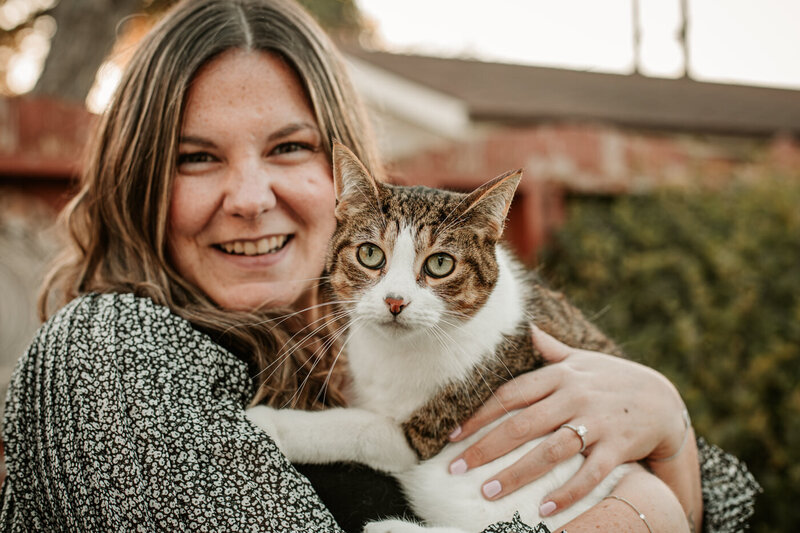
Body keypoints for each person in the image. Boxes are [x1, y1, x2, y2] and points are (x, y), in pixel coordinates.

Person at [0, 0, 759, 531]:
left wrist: (672, 429)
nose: (250, 197)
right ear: (139, 182)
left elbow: (723, 500)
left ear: (349, 181)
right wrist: (647, 513)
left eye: (290, 148)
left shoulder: (375, 337)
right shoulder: (107, 356)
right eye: (196, 158)